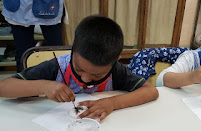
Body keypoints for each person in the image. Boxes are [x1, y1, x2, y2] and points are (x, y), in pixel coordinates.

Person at [0, 15, 159, 121]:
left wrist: (113, 103)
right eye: (79, 69)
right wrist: (43, 86)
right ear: (72, 49)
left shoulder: (116, 70)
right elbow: (3, 88)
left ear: (115, 61)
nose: (85, 79)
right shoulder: (56, 67)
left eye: (97, 75)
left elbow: (151, 91)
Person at [2, 0, 67, 72]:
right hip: (19, 8)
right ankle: (24, 82)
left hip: (50, 6)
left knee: (56, 52)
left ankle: (59, 80)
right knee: (23, 55)